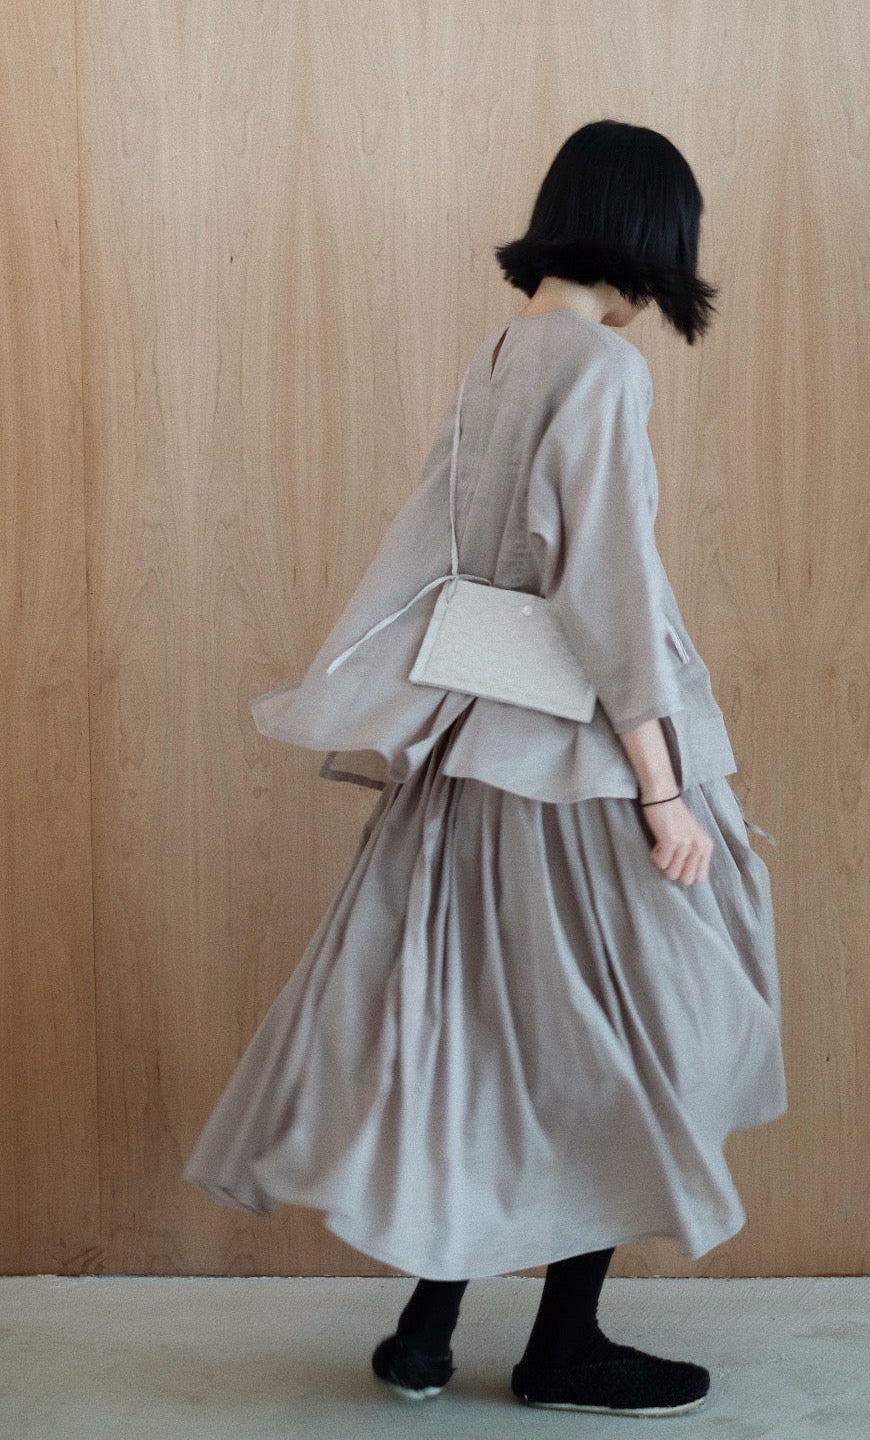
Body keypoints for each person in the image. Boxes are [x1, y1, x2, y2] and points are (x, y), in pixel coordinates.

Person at [182, 118, 787, 1419]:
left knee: (491, 1037)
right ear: (648, 234)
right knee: (628, 1041)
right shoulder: (603, 368)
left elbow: (443, 558)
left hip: (472, 756)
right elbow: (606, 588)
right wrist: (662, 786)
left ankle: (424, 1331)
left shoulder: (503, 350)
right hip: (573, 760)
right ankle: (563, 1347)